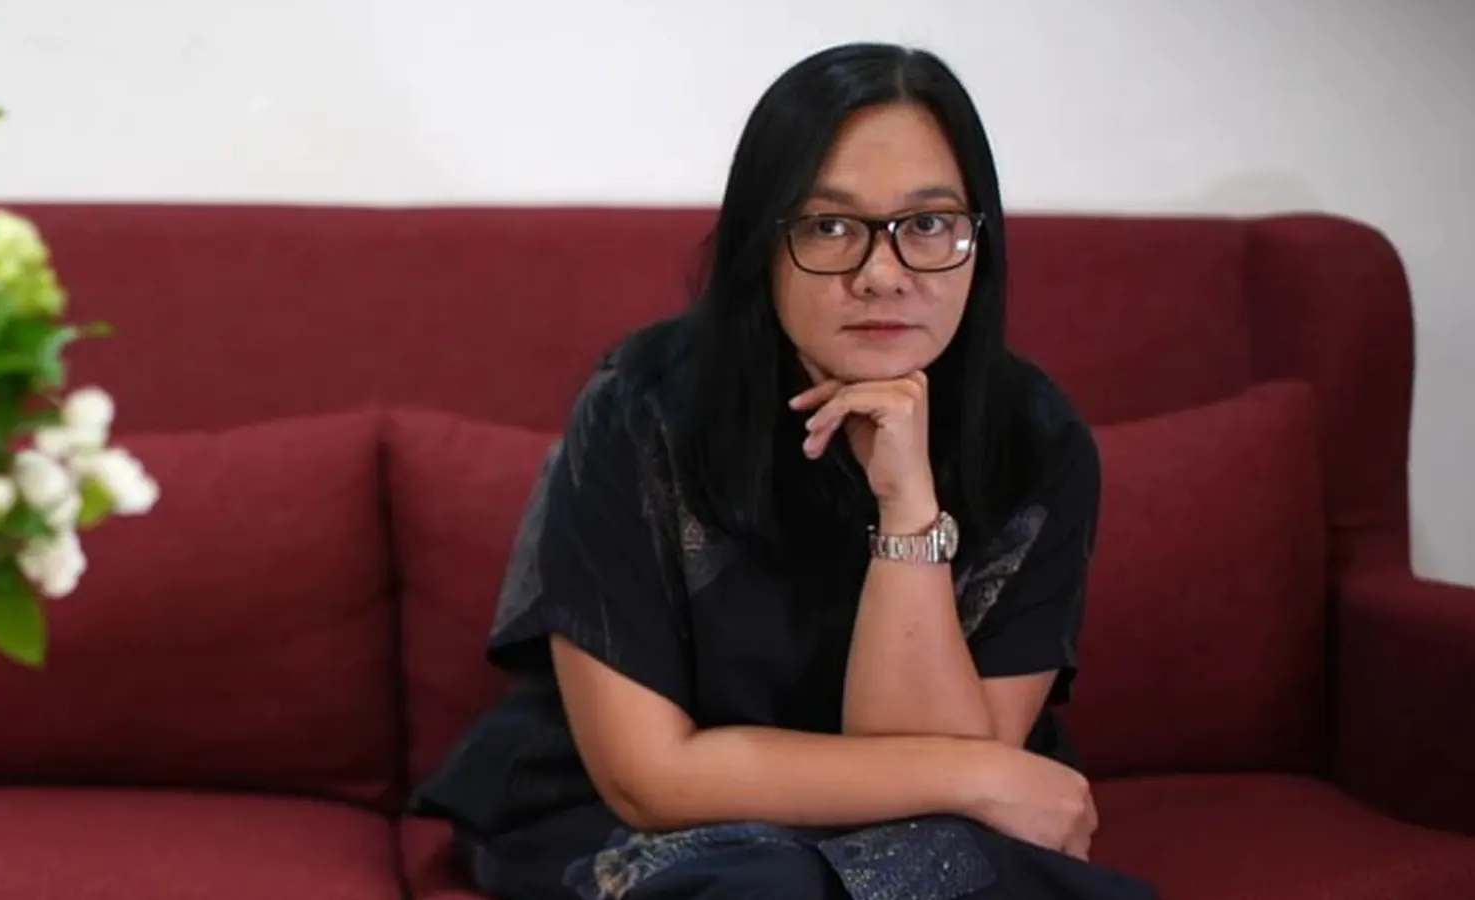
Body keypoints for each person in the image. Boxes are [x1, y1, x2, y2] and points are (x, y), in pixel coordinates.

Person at [410, 42, 1158, 900]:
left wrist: (907, 507)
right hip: (656, 818)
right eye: (829, 227)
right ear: (761, 244)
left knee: (940, 872)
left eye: (927, 225)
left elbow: (933, 799)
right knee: (774, 888)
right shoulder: (640, 408)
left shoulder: (1037, 440)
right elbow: (650, 778)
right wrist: (981, 775)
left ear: (978, 242)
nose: (883, 275)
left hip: (915, 824)